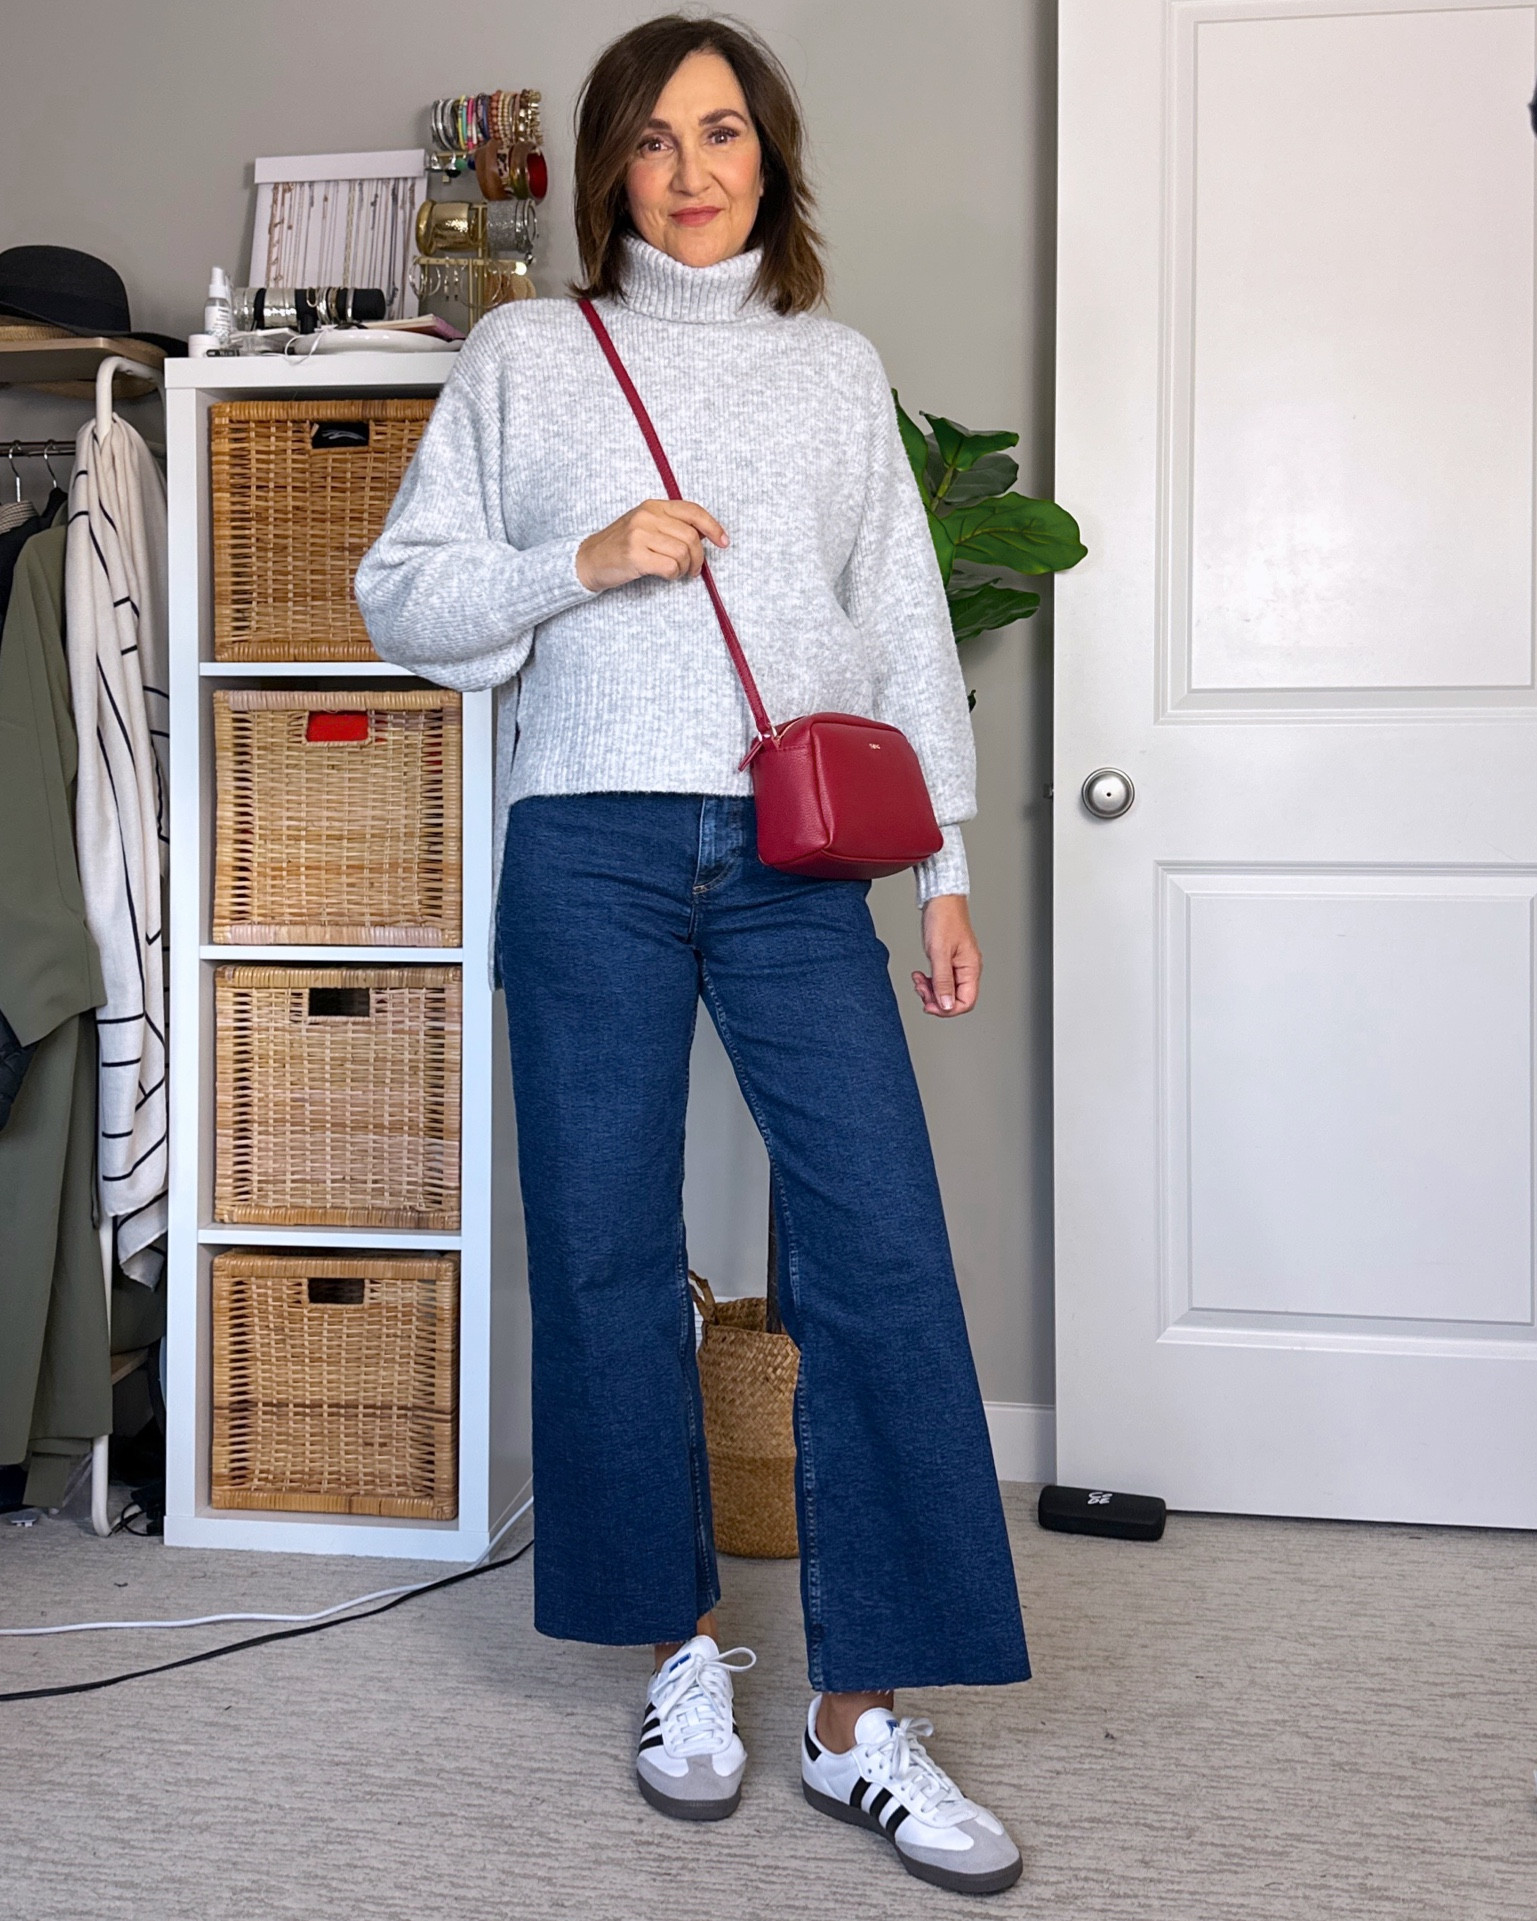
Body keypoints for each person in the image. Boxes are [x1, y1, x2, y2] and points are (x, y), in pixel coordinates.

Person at [355, 13, 1029, 1896]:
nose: (693, 168)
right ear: (607, 172)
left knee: (881, 1251)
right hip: (591, 842)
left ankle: (856, 1718)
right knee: (601, 1248)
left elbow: (897, 621)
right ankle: (677, 1661)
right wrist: (585, 558)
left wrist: (949, 866)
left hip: (804, 857)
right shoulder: (525, 353)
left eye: (724, 131)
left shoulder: (833, 372)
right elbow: (407, 595)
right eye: (653, 140)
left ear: (771, 156)